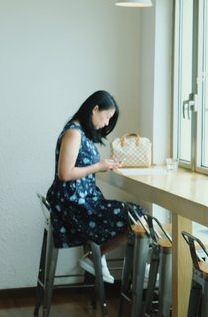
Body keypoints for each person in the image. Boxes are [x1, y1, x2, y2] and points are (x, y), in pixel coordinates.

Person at [46, 90, 144, 283]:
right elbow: (65, 174)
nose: (107, 123)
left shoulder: (80, 132)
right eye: (106, 117)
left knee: (136, 215)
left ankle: (97, 255)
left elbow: (79, 167)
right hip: (74, 205)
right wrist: (98, 166)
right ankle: (97, 255)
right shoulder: (74, 133)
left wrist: (104, 166)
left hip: (80, 201)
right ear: (95, 109)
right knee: (137, 216)